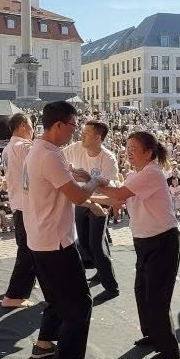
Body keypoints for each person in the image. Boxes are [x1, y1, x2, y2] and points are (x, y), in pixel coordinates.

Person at [25, 101, 107, 359]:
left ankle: (44, 343)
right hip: (56, 241)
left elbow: (63, 175)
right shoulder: (49, 155)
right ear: (59, 125)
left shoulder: (38, 150)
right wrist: (94, 180)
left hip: (40, 238)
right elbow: (78, 196)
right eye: (73, 125)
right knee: (79, 304)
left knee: (57, 299)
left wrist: (78, 173)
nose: (75, 132)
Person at [94, 131, 180, 359]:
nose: (128, 153)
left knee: (156, 295)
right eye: (127, 148)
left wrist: (94, 183)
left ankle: (169, 349)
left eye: (133, 149)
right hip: (144, 241)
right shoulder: (136, 175)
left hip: (162, 241)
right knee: (142, 291)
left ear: (148, 152)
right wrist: (86, 198)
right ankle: (152, 335)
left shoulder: (152, 173)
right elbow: (116, 199)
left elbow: (118, 194)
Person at [67, 120, 118, 294]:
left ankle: (111, 287)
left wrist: (88, 179)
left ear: (97, 138)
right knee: (84, 243)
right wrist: (69, 171)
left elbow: (109, 190)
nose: (81, 134)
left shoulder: (108, 158)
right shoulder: (76, 148)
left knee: (95, 244)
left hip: (100, 202)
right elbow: (58, 158)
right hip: (82, 201)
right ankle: (100, 270)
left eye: (87, 132)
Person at [0, 113, 37, 309]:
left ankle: (21, 290)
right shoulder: (23, 146)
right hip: (27, 205)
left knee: (29, 249)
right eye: (31, 125)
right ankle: (14, 295)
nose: (33, 129)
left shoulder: (8, 148)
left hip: (18, 203)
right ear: (23, 125)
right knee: (27, 251)